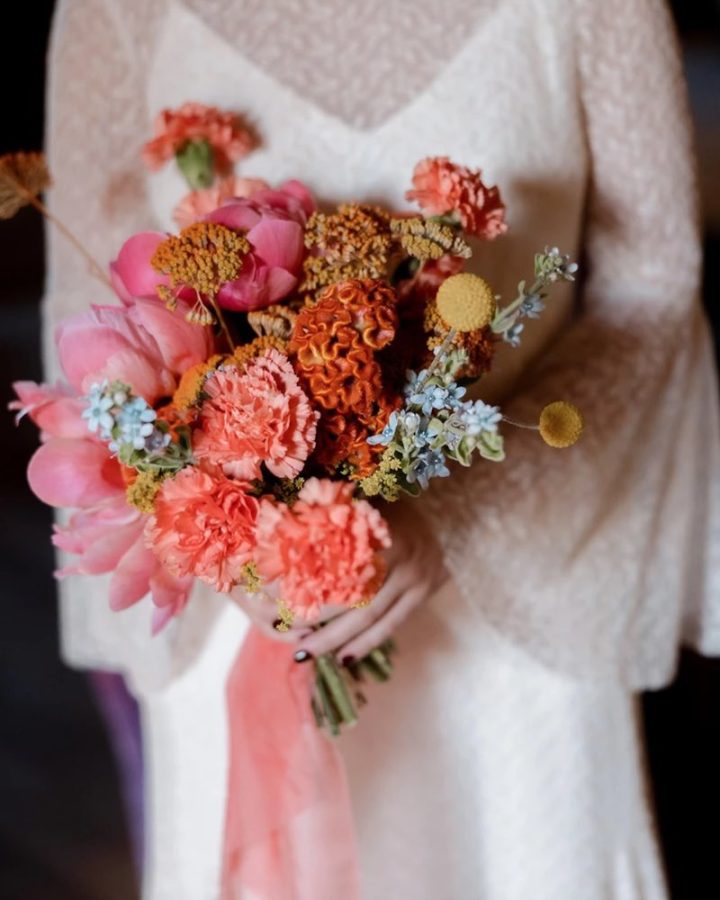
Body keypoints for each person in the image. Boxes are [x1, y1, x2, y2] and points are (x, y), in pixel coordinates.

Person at [44, 1, 720, 897]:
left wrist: (460, 517)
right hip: (239, 613)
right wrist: (217, 530)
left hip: (518, 596)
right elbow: (84, 303)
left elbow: (652, 290)